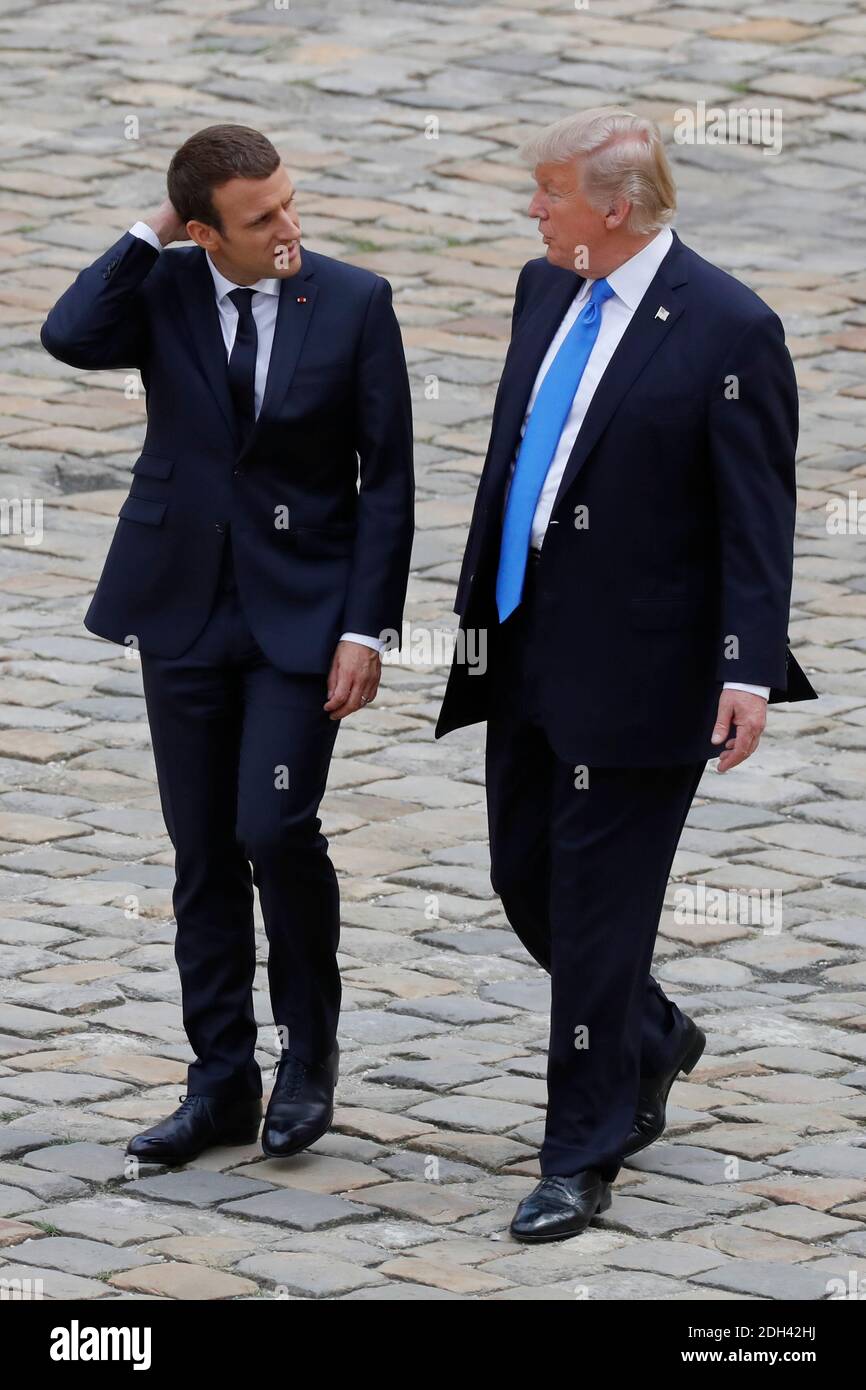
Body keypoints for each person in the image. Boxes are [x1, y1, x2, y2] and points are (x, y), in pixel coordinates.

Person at [435, 107, 817, 1243]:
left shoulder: (728, 329)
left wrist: (744, 666)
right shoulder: (542, 287)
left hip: (648, 669)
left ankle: (580, 1152)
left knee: (598, 922)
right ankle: (653, 1035)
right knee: (524, 882)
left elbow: (759, 517)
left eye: (545, 192)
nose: (531, 209)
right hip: (523, 640)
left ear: (614, 206)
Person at [41, 124, 414, 1165]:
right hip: (184, 611)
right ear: (203, 232)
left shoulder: (350, 300)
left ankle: (306, 1058)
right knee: (202, 850)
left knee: (274, 825)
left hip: (302, 619)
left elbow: (385, 479)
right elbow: (68, 333)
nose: (289, 228)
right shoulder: (160, 291)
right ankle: (218, 1083)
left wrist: (362, 625)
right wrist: (156, 224)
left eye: (290, 202)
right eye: (260, 218)